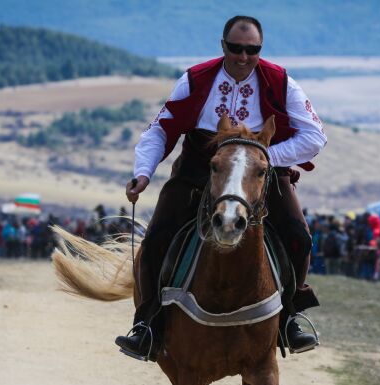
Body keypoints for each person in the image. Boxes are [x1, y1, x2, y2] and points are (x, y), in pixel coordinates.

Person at [117, 15, 327, 361]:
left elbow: (314, 136)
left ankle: (289, 315)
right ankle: (148, 324)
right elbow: (161, 128)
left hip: (261, 169)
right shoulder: (196, 78)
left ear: (260, 49)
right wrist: (143, 172)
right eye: (236, 48)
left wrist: (259, 158)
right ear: (223, 45)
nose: (243, 56)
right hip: (201, 166)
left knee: (298, 236)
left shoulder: (281, 81)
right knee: (157, 238)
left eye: (252, 49)